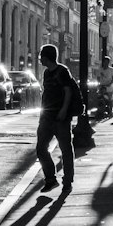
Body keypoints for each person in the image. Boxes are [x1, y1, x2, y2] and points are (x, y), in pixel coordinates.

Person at [35, 43, 76, 193]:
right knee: (41, 149)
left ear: (46, 57)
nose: (40, 59)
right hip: (46, 117)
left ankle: (67, 181)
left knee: (65, 149)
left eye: (41, 56)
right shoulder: (47, 73)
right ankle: (51, 179)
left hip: (60, 117)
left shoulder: (62, 71)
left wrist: (64, 110)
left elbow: (68, 91)